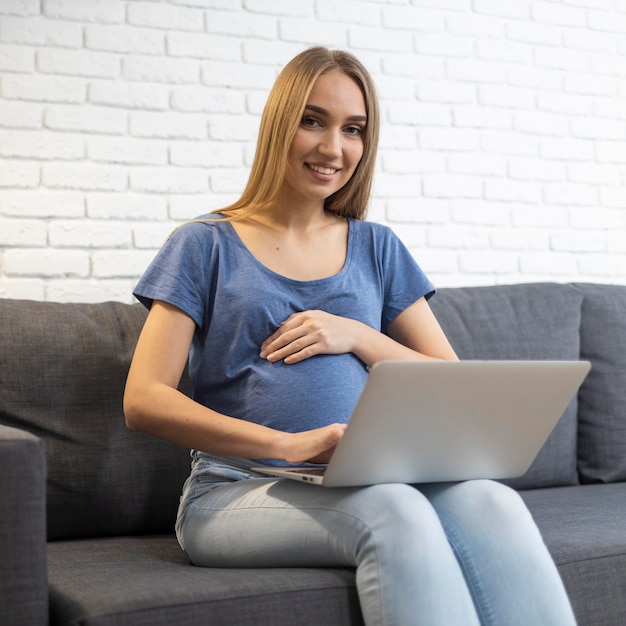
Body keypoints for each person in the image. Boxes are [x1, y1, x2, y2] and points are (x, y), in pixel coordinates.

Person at [124, 46, 577, 626]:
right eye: (313, 121)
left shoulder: (377, 248)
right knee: (394, 512)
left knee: (493, 501)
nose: (333, 148)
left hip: (367, 477)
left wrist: (358, 334)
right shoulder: (204, 243)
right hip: (238, 489)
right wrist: (286, 445)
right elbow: (143, 400)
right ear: (278, 124)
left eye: (353, 129)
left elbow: (453, 383)